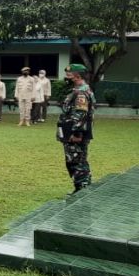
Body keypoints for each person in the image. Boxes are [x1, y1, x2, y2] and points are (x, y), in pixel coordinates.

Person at [57, 64, 95, 193]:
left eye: (69, 76)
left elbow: (81, 113)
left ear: (77, 76)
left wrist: (77, 133)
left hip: (76, 134)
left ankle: (82, 190)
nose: (67, 78)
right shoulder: (77, 90)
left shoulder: (81, 92)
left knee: (77, 162)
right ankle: (80, 189)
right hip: (70, 132)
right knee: (74, 161)